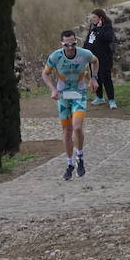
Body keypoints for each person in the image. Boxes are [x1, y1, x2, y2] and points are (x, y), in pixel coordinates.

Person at [42, 29, 98, 180]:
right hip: (62, 95)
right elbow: (45, 73)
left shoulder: (84, 54)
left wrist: (94, 78)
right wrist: (53, 89)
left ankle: (80, 157)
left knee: (77, 127)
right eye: (67, 45)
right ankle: (69, 163)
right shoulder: (55, 56)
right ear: (62, 44)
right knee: (67, 130)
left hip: (79, 94)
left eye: (73, 44)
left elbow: (95, 61)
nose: (71, 47)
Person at [84, 7, 117, 109]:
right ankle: (99, 97)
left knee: (106, 78)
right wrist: (83, 51)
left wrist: (99, 28)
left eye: (94, 17)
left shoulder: (107, 27)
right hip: (93, 58)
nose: (92, 19)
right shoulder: (92, 27)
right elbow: (88, 40)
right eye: (92, 17)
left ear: (100, 18)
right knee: (95, 76)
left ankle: (111, 100)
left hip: (104, 58)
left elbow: (107, 38)